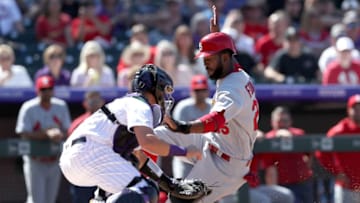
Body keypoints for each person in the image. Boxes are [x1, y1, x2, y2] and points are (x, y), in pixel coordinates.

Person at [59, 64, 206, 202]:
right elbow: (148, 142)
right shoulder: (139, 105)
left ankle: (101, 199)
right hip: (88, 152)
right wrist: (184, 152)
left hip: (80, 156)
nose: (165, 96)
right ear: (153, 88)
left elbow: (139, 158)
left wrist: (169, 184)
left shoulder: (131, 105)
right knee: (144, 190)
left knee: (133, 170)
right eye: (163, 90)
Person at [154, 26, 260, 202]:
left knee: (180, 199)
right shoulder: (234, 72)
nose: (205, 64)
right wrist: (217, 37)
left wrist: (183, 127)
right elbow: (229, 59)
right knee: (153, 136)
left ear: (225, 58)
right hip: (213, 144)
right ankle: (137, 180)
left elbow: (216, 120)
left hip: (225, 166)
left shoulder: (232, 88)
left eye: (209, 59)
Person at [15, 75, 71, 203]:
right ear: (37, 90)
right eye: (43, 89)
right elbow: (23, 132)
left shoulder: (61, 106)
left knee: (50, 200)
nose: (46, 92)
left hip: (54, 159)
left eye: (49, 89)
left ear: (53, 90)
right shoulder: (28, 107)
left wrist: (58, 134)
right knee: (36, 200)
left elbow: (67, 130)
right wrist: (46, 134)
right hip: (35, 159)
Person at [262, 106, 314, 203]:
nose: (282, 124)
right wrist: (274, 191)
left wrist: (305, 172)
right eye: (279, 121)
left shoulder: (299, 134)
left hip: (302, 184)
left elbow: (309, 154)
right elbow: (270, 169)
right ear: (272, 122)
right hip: (282, 186)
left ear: (290, 121)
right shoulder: (268, 139)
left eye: (285, 121)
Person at [316, 94, 360, 203]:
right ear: (349, 110)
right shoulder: (339, 131)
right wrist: (336, 172)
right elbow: (320, 153)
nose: (359, 111)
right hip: (347, 187)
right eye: (355, 108)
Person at [171, 74, 212, 179]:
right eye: (197, 91)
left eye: (203, 90)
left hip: (208, 158)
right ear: (191, 92)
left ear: (207, 91)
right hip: (186, 157)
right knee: (183, 190)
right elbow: (176, 134)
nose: (200, 94)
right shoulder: (183, 108)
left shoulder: (214, 106)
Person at [67, 90, 105, 203]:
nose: (94, 103)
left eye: (97, 100)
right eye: (91, 100)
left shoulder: (109, 121)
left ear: (102, 102)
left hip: (103, 172)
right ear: (85, 103)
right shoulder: (78, 123)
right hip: (83, 173)